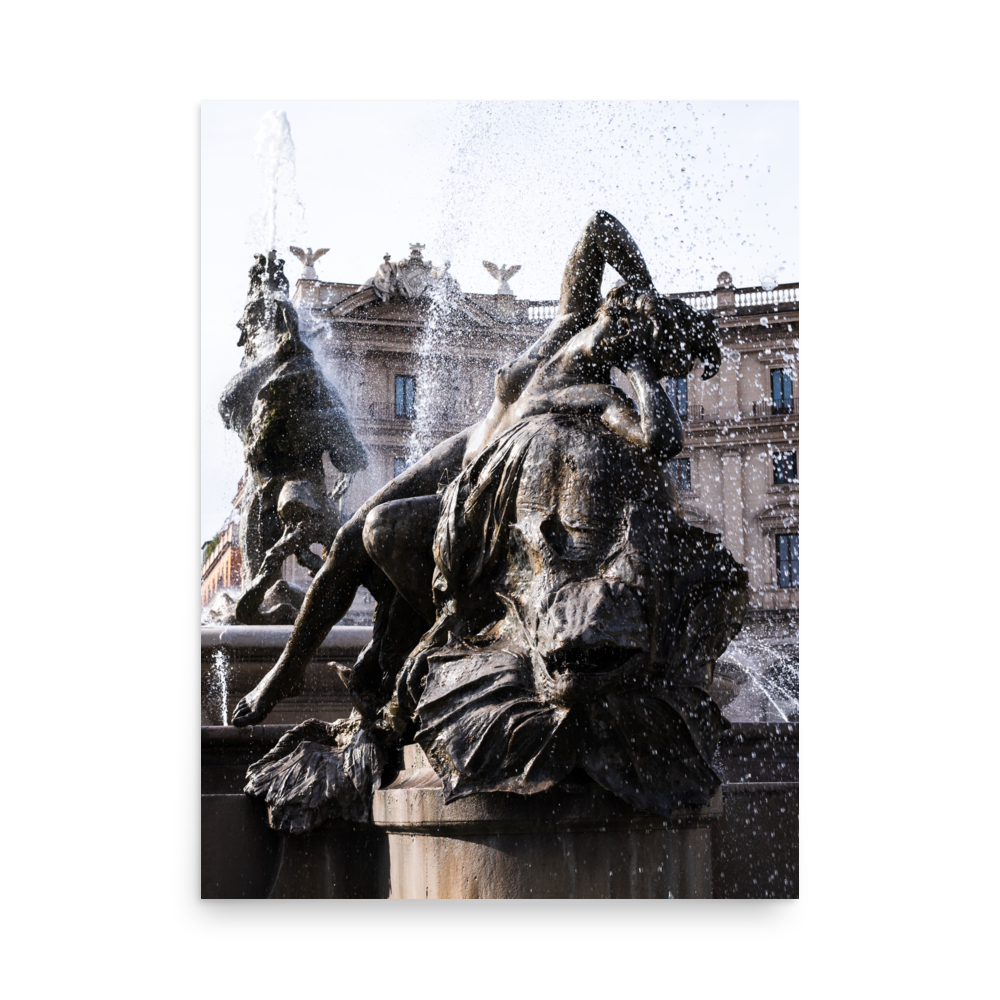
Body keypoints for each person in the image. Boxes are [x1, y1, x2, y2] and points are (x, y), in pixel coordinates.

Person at [231, 211, 719, 726]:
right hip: (468, 445)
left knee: (374, 534)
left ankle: (449, 632)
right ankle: (286, 670)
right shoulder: (569, 321)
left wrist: (643, 366)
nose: (619, 323)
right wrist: (648, 293)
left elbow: (662, 438)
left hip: (485, 483)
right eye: (621, 314)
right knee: (349, 537)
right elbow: (600, 227)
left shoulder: (601, 397)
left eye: (634, 332)